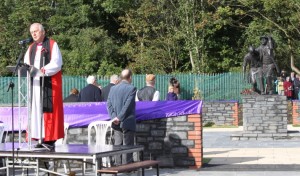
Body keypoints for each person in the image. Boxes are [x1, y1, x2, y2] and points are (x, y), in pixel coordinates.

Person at [24, 23, 64, 146]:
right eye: (32, 32)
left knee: (47, 111)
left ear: (43, 32)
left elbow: (57, 63)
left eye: (36, 31)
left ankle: (48, 138)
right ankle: (37, 136)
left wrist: (43, 70)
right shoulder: (30, 48)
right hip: (35, 85)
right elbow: (26, 63)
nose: (34, 34)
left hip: (49, 85)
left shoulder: (52, 44)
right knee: (35, 109)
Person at [107, 69, 137, 165]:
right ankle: (126, 168)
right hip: (127, 120)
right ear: (130, 77)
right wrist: (119, 118)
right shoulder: (132, 88)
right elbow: (127, 106)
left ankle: (118, 166)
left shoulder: (113, 88)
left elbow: (109, 104)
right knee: (128, 146)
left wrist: (114, 117)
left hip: (115, 121)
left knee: (117, 144)